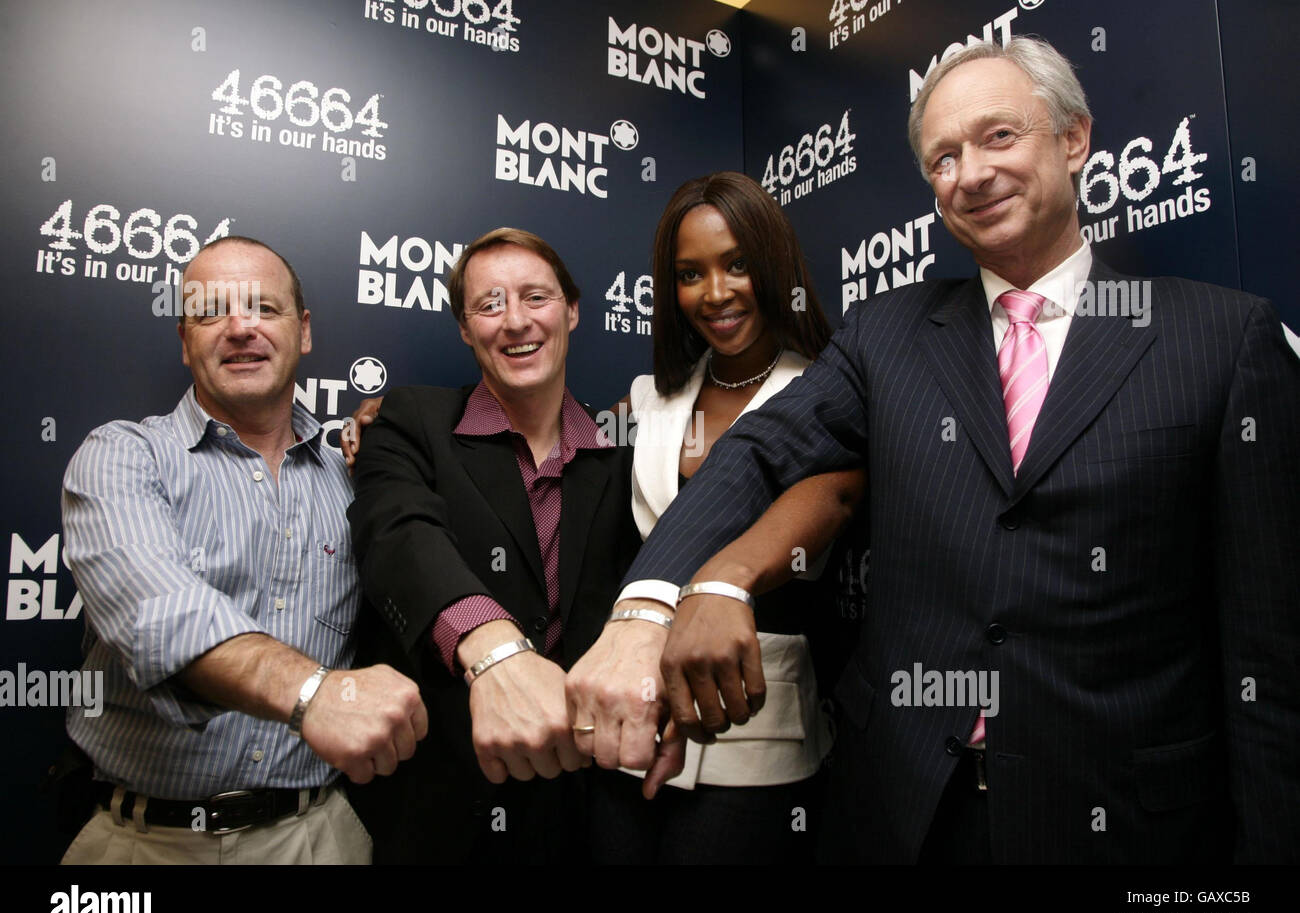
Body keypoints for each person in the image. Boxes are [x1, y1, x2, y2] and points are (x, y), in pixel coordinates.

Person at [583, 37, 1300, 863]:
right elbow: (759, 452)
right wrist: (650, 605)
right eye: (943, 158)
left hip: (1125, 819)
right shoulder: (886, 336)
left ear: (1073, 139)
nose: (971, 173)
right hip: (902, 813)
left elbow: (1269, 658)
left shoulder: (1221, 337)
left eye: (999, 137)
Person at [60, 236, 427, 865]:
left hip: (319, 837)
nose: (240, 328)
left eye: (263, 307)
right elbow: (164, 618)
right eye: (211, 312)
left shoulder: (356, 474)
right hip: (145, 844)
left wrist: (396, 440)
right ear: (184, 340)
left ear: (303, 332)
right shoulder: (121, 455)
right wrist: (317, 695)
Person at [567, 172, 864, 863]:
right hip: (631, 725)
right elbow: (553, 448)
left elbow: (833, 503)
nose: (716, 293)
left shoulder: (831, 392)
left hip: (758, 732)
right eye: (689, 274)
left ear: (775, 263)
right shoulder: (650, 399)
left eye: (737, 264)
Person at [344, 227, 641, 863]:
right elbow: (396, 532)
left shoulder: (624, 453)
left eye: (536, 297)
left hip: (590, 809)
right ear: (462, 327)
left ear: (573, 310)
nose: (515, 322)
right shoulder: (411, 420)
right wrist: (494, 651)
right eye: (488, 304)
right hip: (443, 809)